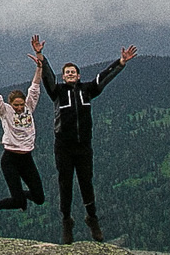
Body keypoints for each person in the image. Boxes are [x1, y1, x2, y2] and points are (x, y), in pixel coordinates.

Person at [31, 35, 135, 244]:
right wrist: (40, 55)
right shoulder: (57, 92)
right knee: (65, 184)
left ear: (78, 76)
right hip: (63, 147)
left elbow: (103, 77)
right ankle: (67, 222)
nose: (70, 74)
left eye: (73, 72)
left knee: (86, 183)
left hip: (84, 146)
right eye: (67, 72)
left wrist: (121, 62)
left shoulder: (87, 90)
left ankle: (92, 219)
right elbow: (48, 77)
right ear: (64, 76)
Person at [0, 55, 46, 231]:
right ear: (10, 104)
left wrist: (39, 66)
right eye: (16, 105)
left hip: (26, 158)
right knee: (18, 201)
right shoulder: (5, 111)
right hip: (10, 159)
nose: (19, 108)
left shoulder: (29, 107)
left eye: (21, 105)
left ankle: (20, 197)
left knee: (39, 197)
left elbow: (35, 88)